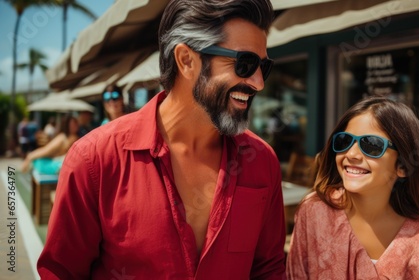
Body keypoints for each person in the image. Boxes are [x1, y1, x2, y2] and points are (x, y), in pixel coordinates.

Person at [38, 0, 285, 279]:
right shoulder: (94, 159)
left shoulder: (262, 161)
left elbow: (268, 269)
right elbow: (61, 273)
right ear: (186, 60)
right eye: (245, 64)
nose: (258, 82)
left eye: (263, 67)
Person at [286, 96, 419, 279]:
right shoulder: (314, 212)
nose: (351, 154)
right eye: (344, 141)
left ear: (403, 166)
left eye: (372, 145)